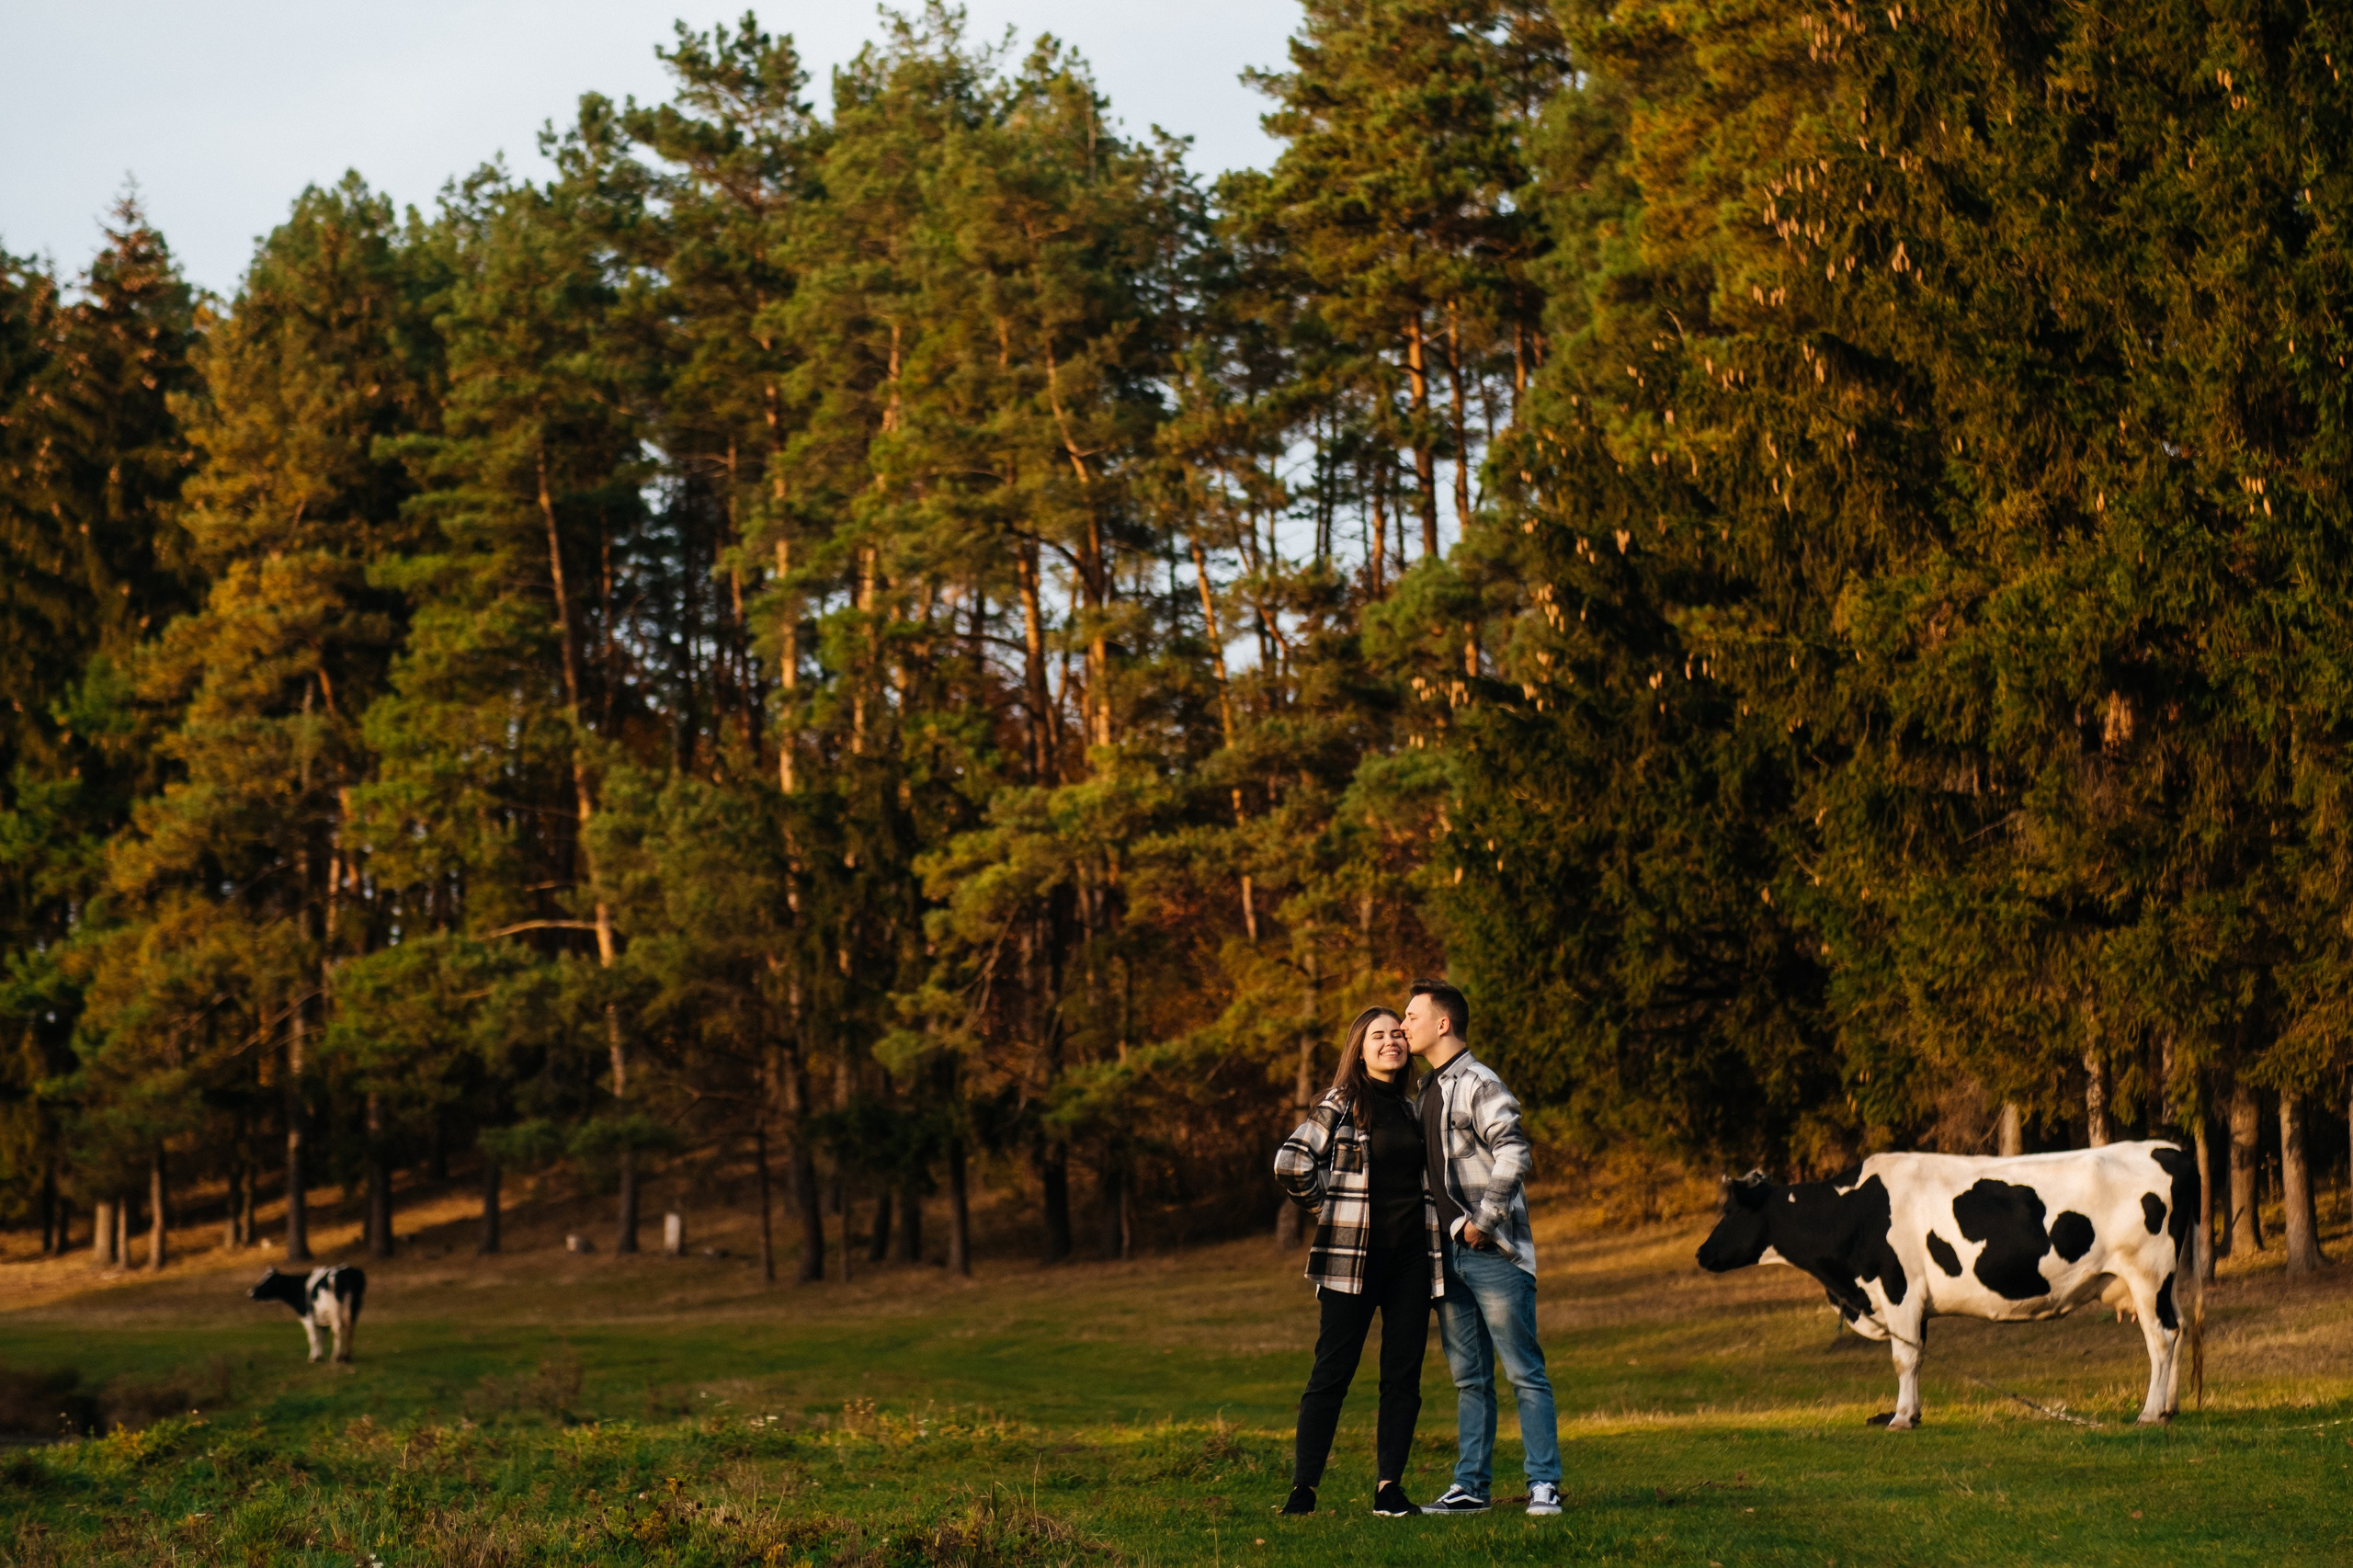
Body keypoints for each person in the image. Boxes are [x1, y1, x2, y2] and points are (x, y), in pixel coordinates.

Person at [1271, 1006, 1443, 1519]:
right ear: (1360, 1048)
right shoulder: (1342, 1103)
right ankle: (1304, 1490)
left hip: (1412, 1260)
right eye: (1378, 1035)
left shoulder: (1417, 1107)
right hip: (1352, 1259)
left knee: (1402, 1375)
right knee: (1332, 1371)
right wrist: (1331, 1209)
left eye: (1397, 1033)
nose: (1391, 1041)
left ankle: (1389, 1489)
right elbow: (1292, 1161)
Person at [1404, 977, 1562, 1517]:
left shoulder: (1477, 1081)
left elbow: (1514, 1150)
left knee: (1523, 1371)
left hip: (1491, 1253)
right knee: (1469, 1377)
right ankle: (1471, 1487)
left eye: (1411, 1016)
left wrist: (1484, 1222)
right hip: (1444, 1258)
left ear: (1442, 1023)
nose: (1404, 1026)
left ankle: (1544, 1484)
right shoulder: (1426, 1090)